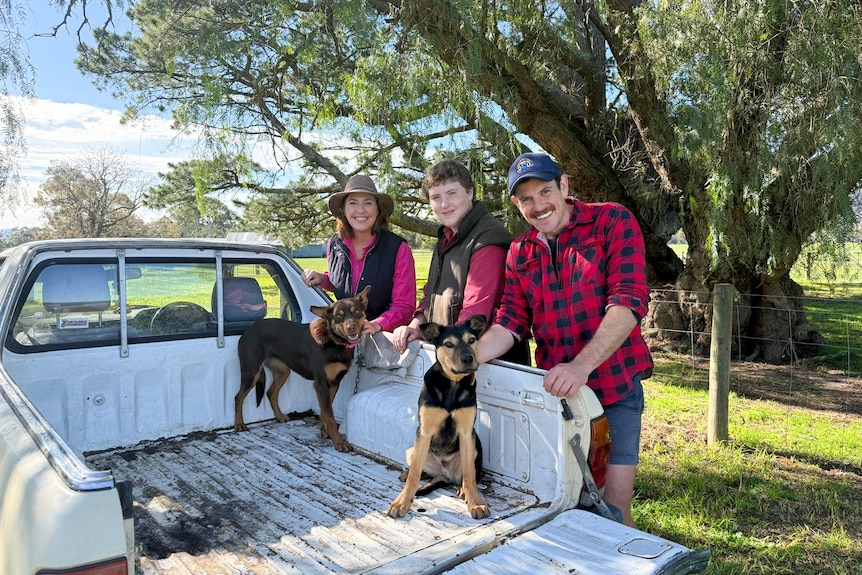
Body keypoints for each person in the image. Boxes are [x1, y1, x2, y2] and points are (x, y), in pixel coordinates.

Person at [477, 152, 652, 527]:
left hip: (614, 389)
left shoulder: (610, 220)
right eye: (526, 199)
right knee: (563, 501)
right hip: (559, 399)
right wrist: (468, 357)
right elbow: (510, 320)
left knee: (612, 510)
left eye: (545, 191)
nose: (538, 205)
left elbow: (629, 300)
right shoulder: (520, 252)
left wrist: (580, 366)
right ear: (516, 204)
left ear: (565, 186)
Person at [392, 158, 530, 365]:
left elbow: (475, 314)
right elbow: (431, 295)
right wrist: (416, 326)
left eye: (452, 193)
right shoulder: (446, 238)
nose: (444, 204)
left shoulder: (488, 241)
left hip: (488, 367)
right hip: (452, 358)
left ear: (470, 192)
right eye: (436, 197)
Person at [303, 174, 416, 335]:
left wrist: (377, 324)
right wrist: (323, 279)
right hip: (345, 337)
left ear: (378, 210)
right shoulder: (334, 244)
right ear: (343, 210)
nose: (361, 210)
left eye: (368, 203)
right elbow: (347, 282)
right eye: (353, 203)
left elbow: (405, 306)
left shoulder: (398, 248)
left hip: (385, 339)